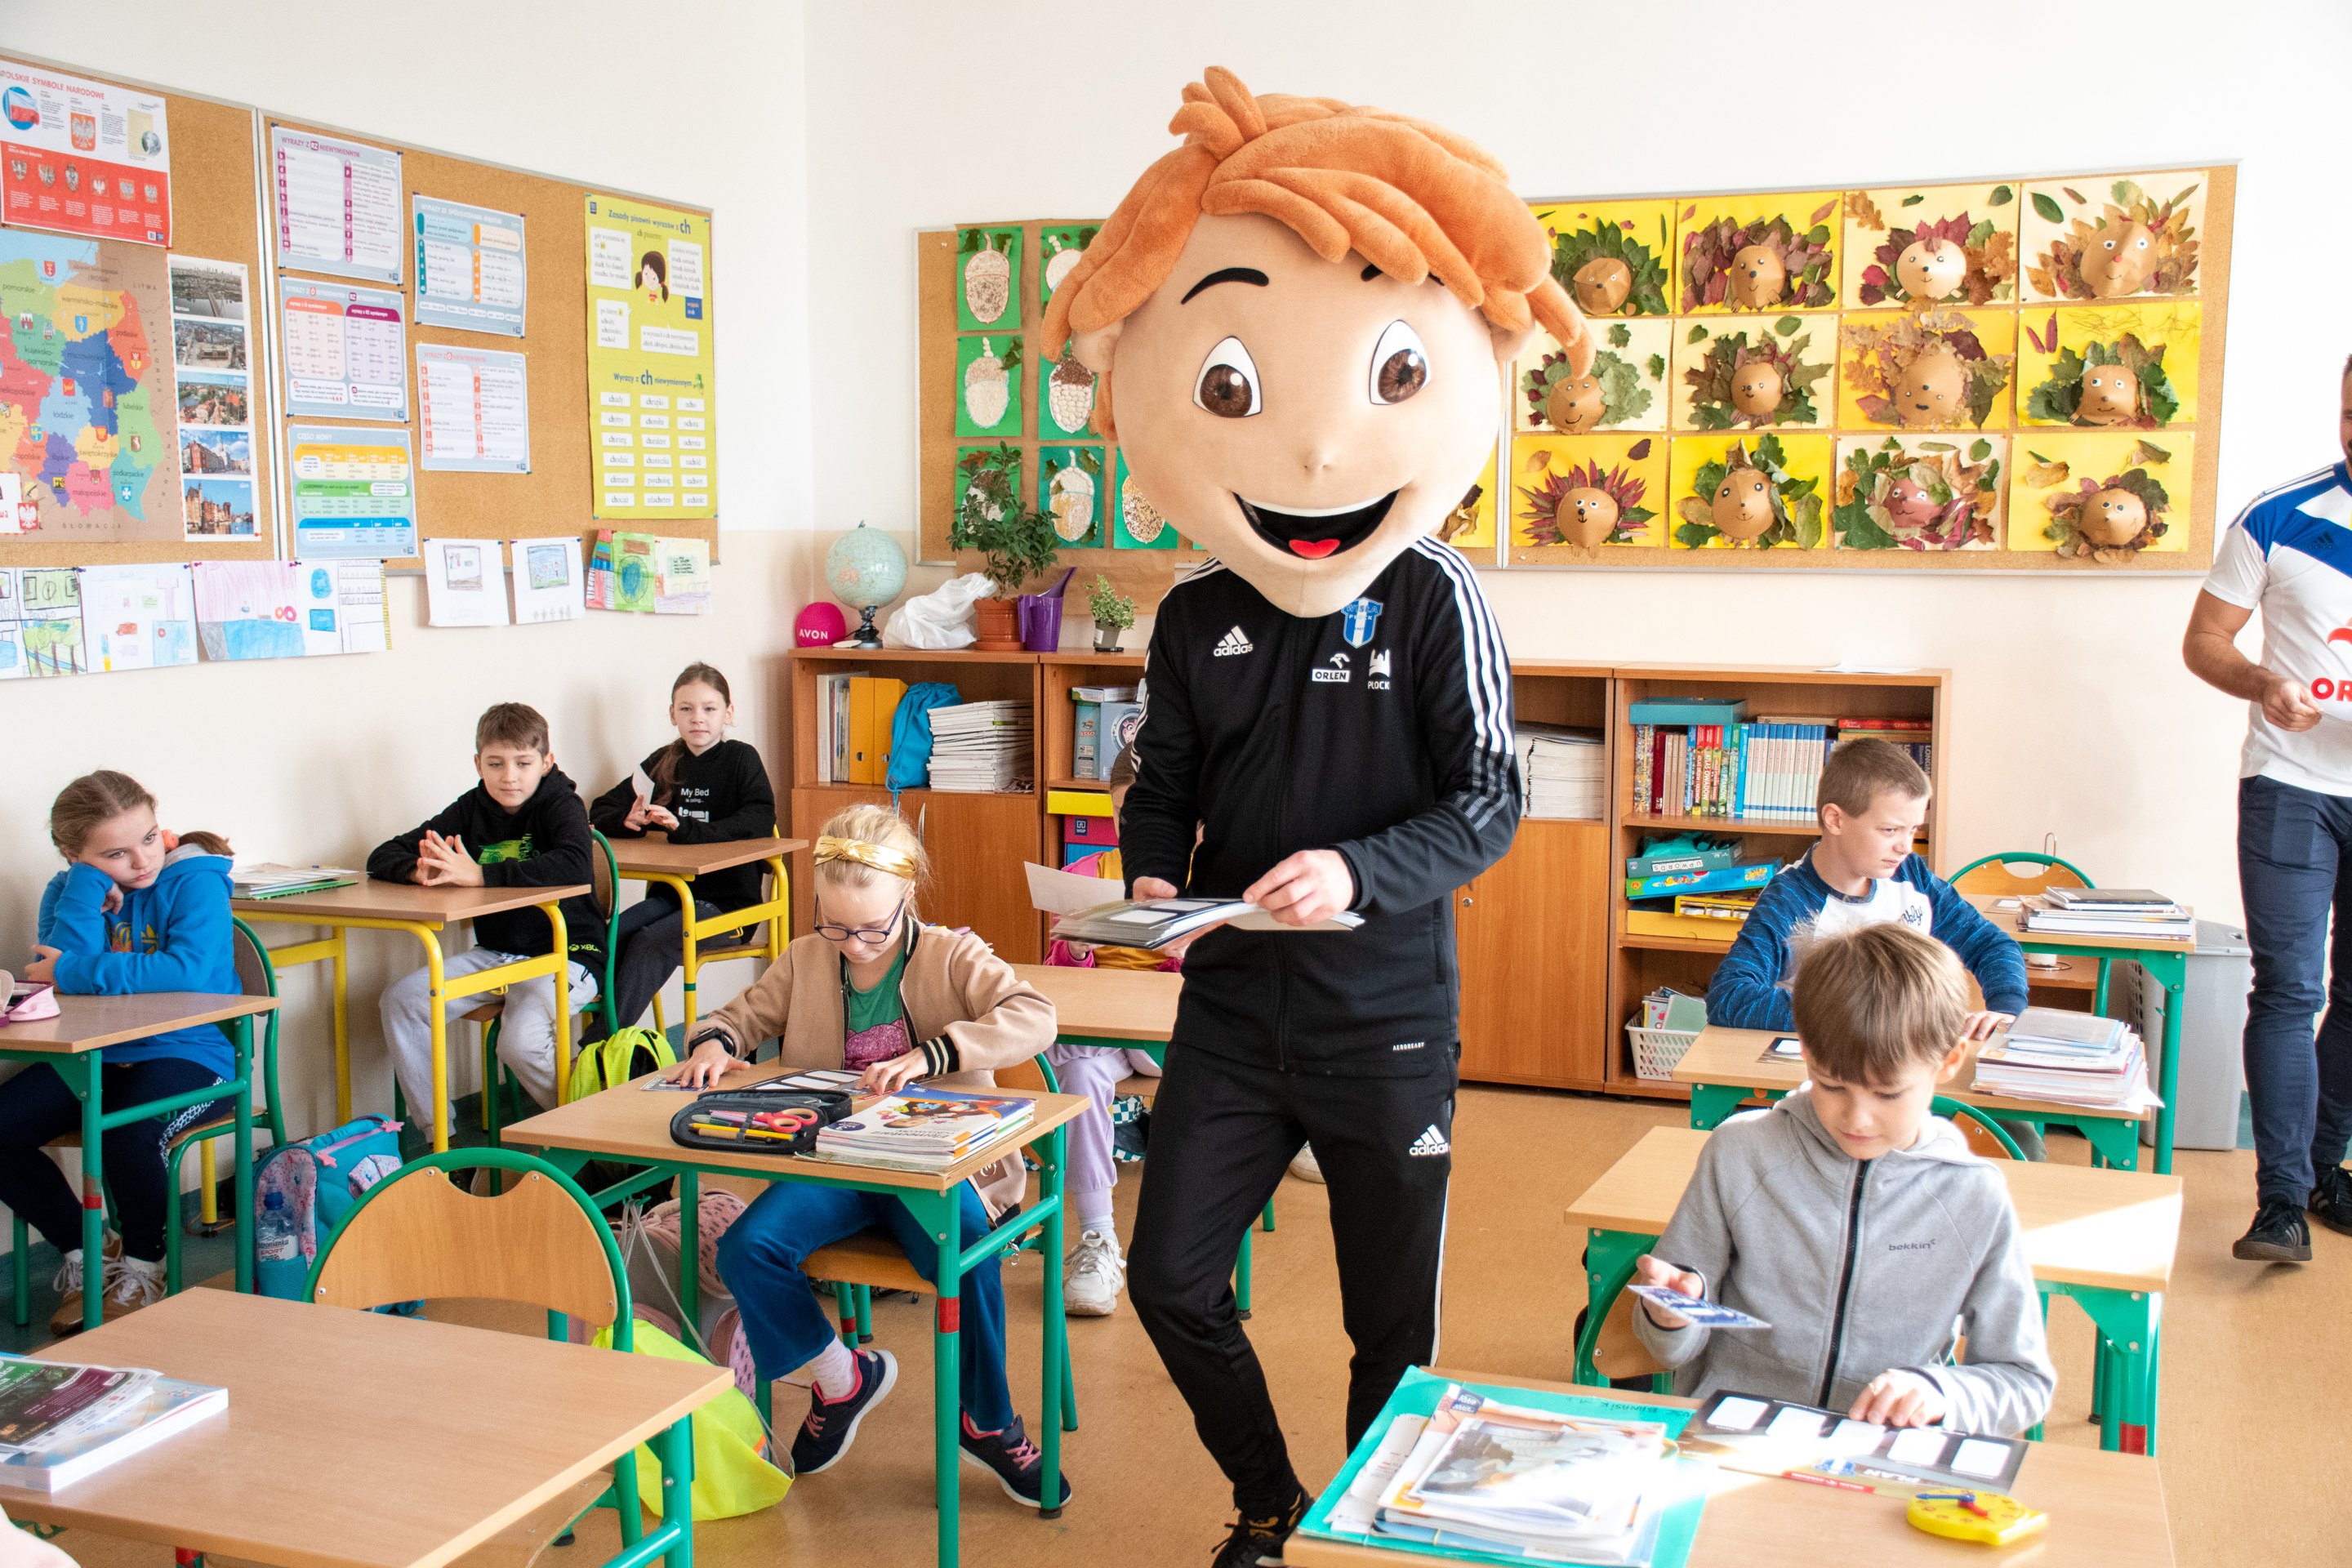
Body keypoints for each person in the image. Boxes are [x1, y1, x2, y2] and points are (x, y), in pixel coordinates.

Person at [1043, 67, 1588, 1563]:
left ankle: (1367, 1534)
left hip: (1385, 1020)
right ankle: (1271, 1500)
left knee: (1388, 1330)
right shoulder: (1194, 607)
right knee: (1171, 1282)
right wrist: (1153, 887)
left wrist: (1355, 874)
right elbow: (1161, 781)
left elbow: (1492, 797)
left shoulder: (1431, 591)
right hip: (1229, 1012)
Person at [668, 805, 1071, 1508]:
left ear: (907, 896)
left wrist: (935, 1055)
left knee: (967, 1252)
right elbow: (738, 1018)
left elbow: (1036, 1016)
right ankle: (840, 1378)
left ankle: (987, 1420)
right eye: (836, 926)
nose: (853, 945)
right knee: (747, 1251)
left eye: (872, 929)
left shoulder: (950, 955)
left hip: (931, 1167)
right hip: (838, 1165)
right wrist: (713, 1044)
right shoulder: (806, 959)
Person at [1633, 923, 2056, 1437]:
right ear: (1806, 1053)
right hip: (1734, 1437)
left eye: (1888, 1094)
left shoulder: (1973, 1195)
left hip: (1879, 1450)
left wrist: (1939, 1393)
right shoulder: (1740, 1153)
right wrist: (1673, 1317)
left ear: (1949, 1061)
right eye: (1832, 1085)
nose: (1857, 1118)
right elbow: (1667, 1344)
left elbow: (2023, 1381)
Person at [2182, 359, 2352, 1262]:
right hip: (2290, 785)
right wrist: (2263, 684)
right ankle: (2281, 1201)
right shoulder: (2280, 514)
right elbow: (2205, 641)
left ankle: (2327, 1171)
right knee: (2289, 987)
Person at [1706, 737, 2040, 1157]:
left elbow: (1991, 944)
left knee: (2019, 1135)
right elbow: (1730, 996)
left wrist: (2006, 1008)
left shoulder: (1911, 876)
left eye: (1913, 830)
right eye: (1890, 830)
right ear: (1835, 819)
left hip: (1907, 1075)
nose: (1905, 846)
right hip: (1836, 1090)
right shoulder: (1789, 900)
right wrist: (1853, 1022)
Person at [13, 772, 236, 1333]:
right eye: (114, 854)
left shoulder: (196, 882)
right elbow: (60, 977)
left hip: (193, 1053)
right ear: (73, 855)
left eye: (148, 838)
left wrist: (72, 971)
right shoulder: (69, 891)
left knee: (125, 1131)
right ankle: (89, 1251)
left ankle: (144, 1266)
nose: (141, 863)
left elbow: (188, 971)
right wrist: (86, 887)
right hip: (99, 1055)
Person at [368, 702, 601, 1125]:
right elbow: (383, 854)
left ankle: (590, 1133)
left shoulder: (562, 804)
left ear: (547, 762)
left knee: (518, 1043)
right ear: (478, 764)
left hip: (568, 954)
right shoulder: (471, 808)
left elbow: (575, 864)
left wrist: (480, 875)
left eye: (523, 763)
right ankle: (442, 1136)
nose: (509, 776)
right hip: (497, 954)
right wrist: (417, 870)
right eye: (495, 763)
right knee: (402, 1001)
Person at [1043, 742, 1171, 1317]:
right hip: (1101, 1040)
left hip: (1169, 1042)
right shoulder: (1086, 875)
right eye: (1124, 814)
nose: (1135, 829)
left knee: (1056, 1050)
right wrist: (1075, 951)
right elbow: (1060, 983)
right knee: (1081, 1074)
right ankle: (1098, 1238)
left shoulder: (1206, 877)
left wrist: (1186, 953)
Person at [587, 662, 776, 1040]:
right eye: (686, 709)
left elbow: (759, 818)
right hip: (673, 896)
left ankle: (599, 1047)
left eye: (709, 708)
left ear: (728, 714)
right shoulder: (664, 761)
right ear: (673, 714)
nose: (697, 718)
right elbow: (602, 808)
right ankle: (602, 1043)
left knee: (648, 943)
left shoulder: (741, 759)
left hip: (729, 906)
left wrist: (686, 829)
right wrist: (627, 819)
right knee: (614, 933)